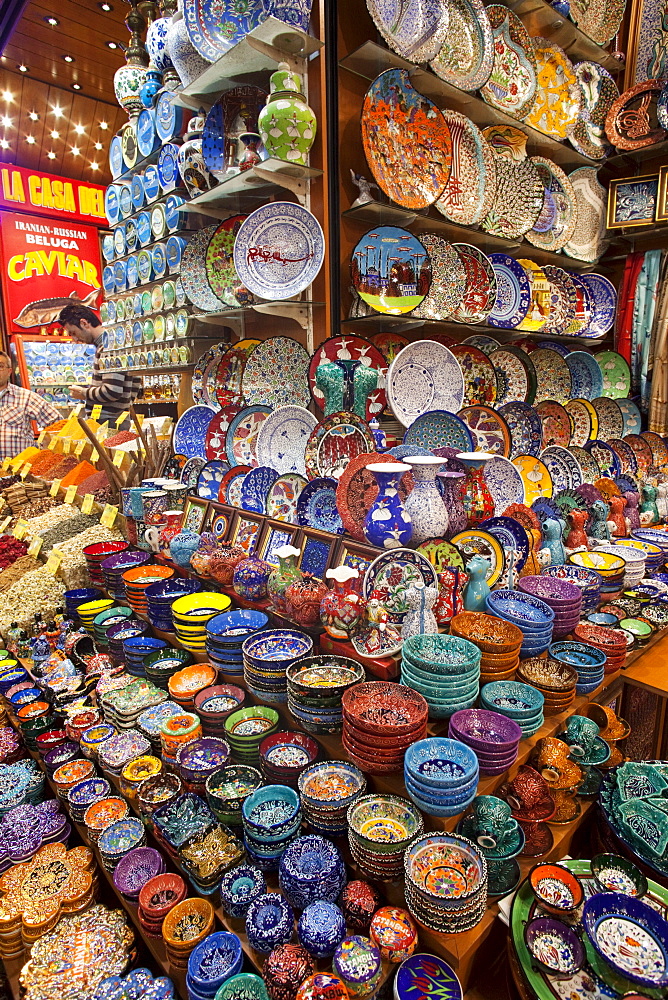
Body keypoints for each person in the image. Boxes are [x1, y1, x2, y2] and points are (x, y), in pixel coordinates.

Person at [58, 303, 141, 425]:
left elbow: (112, 391)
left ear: (84, 323)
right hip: (117, 420)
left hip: (109, 423)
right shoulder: (112, 344)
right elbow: (136, 381)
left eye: (73, 333)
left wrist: (83, 393)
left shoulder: (109, 347)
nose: (74, 339)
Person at [0, 351, 61, 460]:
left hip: (19, 470)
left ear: (9, 371)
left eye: (0, 366)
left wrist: (45, 452)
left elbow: (58, 423)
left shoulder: (25, 397)